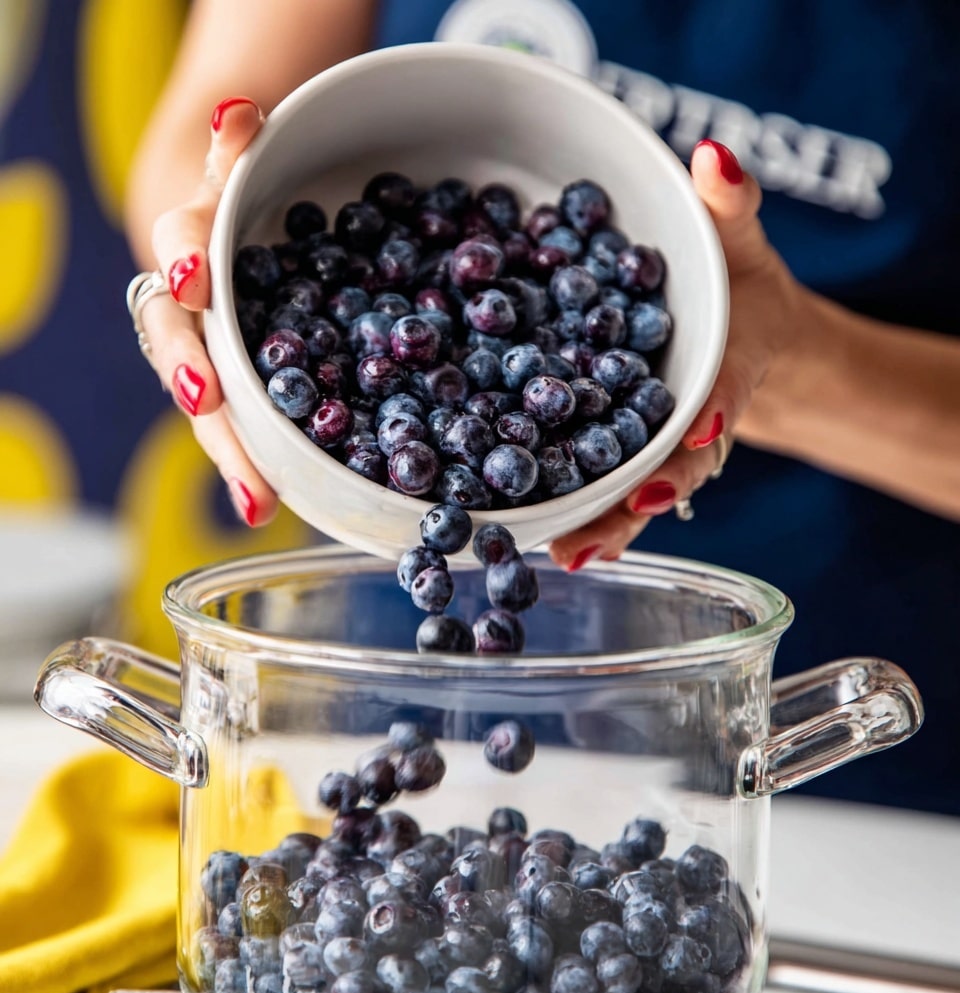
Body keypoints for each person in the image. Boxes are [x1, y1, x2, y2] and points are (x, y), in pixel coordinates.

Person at [124, 0, 960, 812]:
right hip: (389, 634)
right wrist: (197, 262)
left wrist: (800, 365)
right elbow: (210, 123)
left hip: (834, 722)